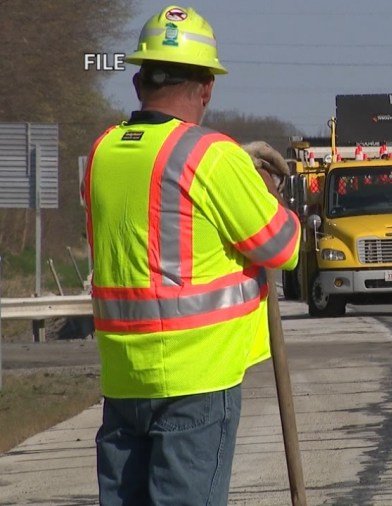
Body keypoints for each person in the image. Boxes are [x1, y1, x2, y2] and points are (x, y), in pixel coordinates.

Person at [83, 6, 300, 504]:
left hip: (124, 381)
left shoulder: (102, 153)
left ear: (139, 83)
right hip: (197, 382)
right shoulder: (214, 156)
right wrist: (262, 191)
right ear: (207, 88)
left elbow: (153, 218)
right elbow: (283, 247)